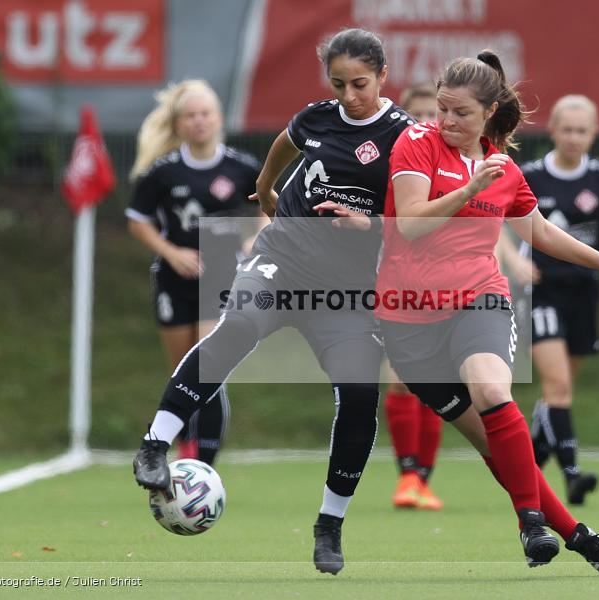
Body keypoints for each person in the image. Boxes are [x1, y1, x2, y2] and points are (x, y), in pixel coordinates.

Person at [131, 28, 414, 576]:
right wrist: (265, 187)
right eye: (338, 84)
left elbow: (415, 222)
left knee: (359, 395)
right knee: (233, 330)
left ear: (383, 75)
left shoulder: (407, 139)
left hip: (345, 290)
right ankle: (154, 446)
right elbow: (286, 143)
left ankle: (329, 524)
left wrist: (369, 224)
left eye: (360, 83)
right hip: (283, 258)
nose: (350, 95)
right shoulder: (317, 117)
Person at [375, 51, 599, 575]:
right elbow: (409, 223)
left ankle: (529, 521)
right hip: (408, 320)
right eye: (443, 110)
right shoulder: (416, 143)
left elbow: (540, 232)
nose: (447, 121)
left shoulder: (505, 168)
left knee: (494, 392)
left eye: (461, 114)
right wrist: (469, 188)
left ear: (490, 112)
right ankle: (578, 535)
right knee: (494, 445)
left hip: (479, 299)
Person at [514, 94, 599, 505]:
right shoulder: (530, 174)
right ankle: (572, 476)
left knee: (560, 389)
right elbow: (497, 225)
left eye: (581, 130)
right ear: (552, 130)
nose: (573, 137)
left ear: (593, 134)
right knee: (557, 385)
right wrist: (512, 264)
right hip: (539, 292)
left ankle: (527, 464)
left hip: (584, 293)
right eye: (566, 129)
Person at [126, 79, 263, 466]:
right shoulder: (163, 172)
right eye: (190, 115)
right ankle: (186, 444)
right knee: (181, 372)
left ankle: (202, 460)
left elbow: (266, 209)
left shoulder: (242, 167)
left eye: (205, 114)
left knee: (209, 364)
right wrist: (171, 252)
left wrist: (257, 239)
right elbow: (138, 221)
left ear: (218, 119)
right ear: (179, 124)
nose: (199, 121)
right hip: (174, 277)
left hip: (221, 272)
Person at [383, 82, 445, 511]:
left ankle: (423, 478)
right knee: (400, 375)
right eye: (416, 113)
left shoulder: (453, 159)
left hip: (446, 278)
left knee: (438, 380)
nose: (425, 121)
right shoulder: (394, 157)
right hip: (397, 276)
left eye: (433, 113)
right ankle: (407, 475)